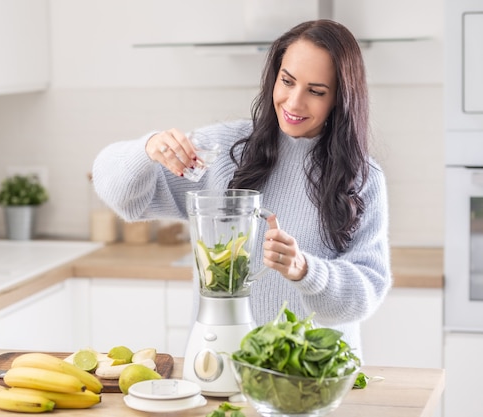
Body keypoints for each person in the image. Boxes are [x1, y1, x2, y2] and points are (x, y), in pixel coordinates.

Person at [92, 19, 391, 358]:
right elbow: (118, 192)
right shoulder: (225, 151)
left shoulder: (362, 178)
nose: (294, 103)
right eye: (287, 81)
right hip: (223, 367)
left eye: (316, 91)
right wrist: (147, 149)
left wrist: (305, 270)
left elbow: (367, 291)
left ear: (340, 98)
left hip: (315, 381)